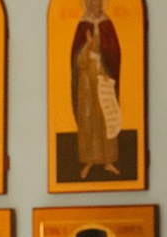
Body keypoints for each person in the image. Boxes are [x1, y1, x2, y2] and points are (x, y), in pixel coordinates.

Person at [70, 0, 122, 180]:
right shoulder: (82, 25)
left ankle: (108, 160)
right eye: (92, 3)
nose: (96, 6)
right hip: (86, 83)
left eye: (98, 3)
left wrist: (106, 66)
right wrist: (87, 47)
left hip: (103, 77)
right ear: (87, 5)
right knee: (88, 119)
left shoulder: (107, 25)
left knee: (105, 117)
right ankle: (88, 161)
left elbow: (114, 54)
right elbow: (76, 60)